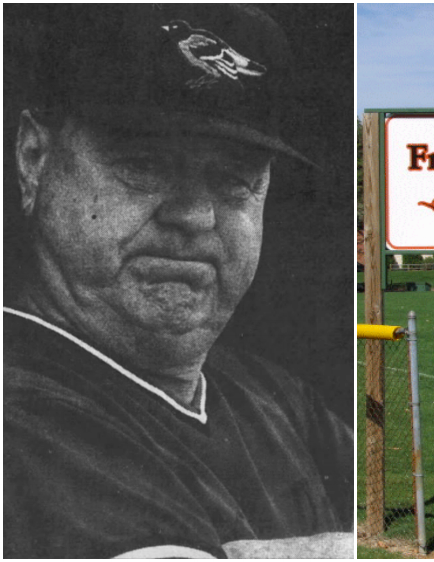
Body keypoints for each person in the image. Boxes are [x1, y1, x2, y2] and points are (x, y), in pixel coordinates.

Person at [3, 5, 352, 558]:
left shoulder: (274, 397)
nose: (194, 215)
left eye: (234, 181)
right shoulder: (17, 410)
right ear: (34, 159)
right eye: (143, 165)